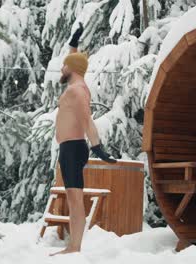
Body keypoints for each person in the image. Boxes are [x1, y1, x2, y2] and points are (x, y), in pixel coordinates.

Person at [50, 23, 117, 256]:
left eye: (63, 66)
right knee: (72, 198)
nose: (61, 68)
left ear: (72, 69)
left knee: (76, 200)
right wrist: (73, 42)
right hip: (69, 148)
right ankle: (73, 245)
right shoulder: (75, 82)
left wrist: (98, 148)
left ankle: (75, 247)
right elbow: (73, 61)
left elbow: (87, 121)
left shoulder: (77, 91)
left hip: (73, 148)